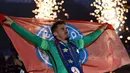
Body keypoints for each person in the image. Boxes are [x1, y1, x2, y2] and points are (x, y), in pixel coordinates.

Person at [3, 16, 108, 73]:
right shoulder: (50, 45)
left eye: (66, 28)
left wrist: (102, 29)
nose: (66, 30)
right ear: (55, 34)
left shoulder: (76, 43)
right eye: (62, 29)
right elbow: (31, 37)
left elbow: (90, 38)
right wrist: (13, 24)